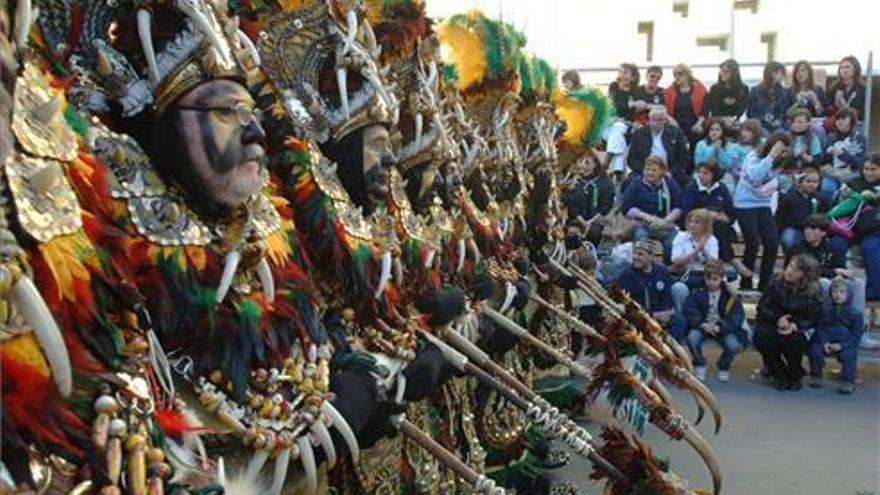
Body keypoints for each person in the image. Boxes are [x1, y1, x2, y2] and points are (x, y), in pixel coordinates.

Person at [754, 254, 822, 391]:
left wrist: (795, 325)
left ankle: (795, 374)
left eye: (796, 270)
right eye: (790, 266)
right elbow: (762, 307)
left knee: (794, 341)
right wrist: (777, 319)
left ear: (805, 275)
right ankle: (779, 374)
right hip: (774, 321)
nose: (790, 271)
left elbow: (813, 318)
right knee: (761, 337)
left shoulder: (813, 290)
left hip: (798, 326)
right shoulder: (776, 281)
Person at [734, 132, 790, 290]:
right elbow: (755, 175)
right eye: (781, 150)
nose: (783, 154)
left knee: (772, 242)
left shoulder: (780, 161)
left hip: (763, 204)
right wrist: (771, 156)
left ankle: (765, 283)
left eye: (785, 151)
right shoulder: (753, 157)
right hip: (745, 204)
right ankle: (745, 281)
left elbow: (774, 181)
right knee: (752, 243)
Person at [828, 154, 880, 304]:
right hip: (848, 228)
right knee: (836, 244)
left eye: (874, 169)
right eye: (866, 169)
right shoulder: (853, 183)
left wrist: (875, 198)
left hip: (873, 230)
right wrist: (850, 196)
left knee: (871, 247)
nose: (869, 172)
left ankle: (874, 290)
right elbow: (837, 203)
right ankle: (838, 286)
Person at [683, 259, 746, 382]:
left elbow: (737, 316)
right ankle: (699, 363)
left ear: (722, 278)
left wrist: (721, 326)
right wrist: (702, 324)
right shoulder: (697, 291)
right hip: (702, 326)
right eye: (708, 279)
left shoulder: (730, 294)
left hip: (722, 327)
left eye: (715, 279)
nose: (711, 282)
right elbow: (690, 311)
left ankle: (723, 365)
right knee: (692, 339)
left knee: (733, 344)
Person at [681, 160, 748, 277]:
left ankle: (720, 266)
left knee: (720, 228)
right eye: (700, 172)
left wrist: (717, 216)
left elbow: (731, 214)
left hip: (719, 225)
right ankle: (732, 260)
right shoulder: (692, 188)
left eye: (706, 173)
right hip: (695, 226)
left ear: (714, 175)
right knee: (716, 229)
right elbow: (685, 212)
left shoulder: (722, 188)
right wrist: (705, 215)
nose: (701, 176)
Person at [616, 239, 684, 340]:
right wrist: (652, 315)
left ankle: (672, 351)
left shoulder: (662, 272)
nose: (635, 257)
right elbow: (627, 306)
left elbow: (667, 298)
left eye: (640, 254)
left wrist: (664, 313)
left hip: (661, 314)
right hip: (639, 318)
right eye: (634, 253)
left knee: (679, 320)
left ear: (651, 256)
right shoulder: (627, 275)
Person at [809, 277, 864, 394]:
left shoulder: (855, 313)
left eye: (841, 292)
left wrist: (842, 345)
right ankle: (816, 375)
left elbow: (856, 334)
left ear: (848, 294)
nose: (837, 295)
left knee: (849, 354)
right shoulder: (825, 308)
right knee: (815, 349)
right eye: (834, 292)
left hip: (845, 340)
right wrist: (824, 342)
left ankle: (848, 381)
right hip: (826, 337)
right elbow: (820, 327)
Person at [621, 155, 682, 258]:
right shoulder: (636, 184)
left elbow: (679, 206)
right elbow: (626, 208)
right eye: (647, 169)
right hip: (642, 223)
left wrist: (666, 221)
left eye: (654, 170)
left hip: (665, 223)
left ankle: (669, 268)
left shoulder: (669, 183)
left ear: (661, 171)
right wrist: (646, 217)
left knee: (672, 244)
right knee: (641, 240)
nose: (649, 173)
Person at [562, 149, 615, 246]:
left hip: (597, 221)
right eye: (581, 162)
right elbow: (571, 205)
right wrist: (582, 221)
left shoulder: (605, 184)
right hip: (576, 220)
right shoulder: (574, 182)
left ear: (595, 165)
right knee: (572, 232)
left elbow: (606, 207)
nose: (582, 166)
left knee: (594, 232)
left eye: (587, 163)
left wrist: (590, 222)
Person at [627, 106, 690, 186]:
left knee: (687, 184)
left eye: (660, 120)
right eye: (653, 119)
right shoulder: (639, 134)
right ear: (649, 119)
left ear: (665, 121)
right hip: (645, 169)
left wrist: (671, 172)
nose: (656, 123)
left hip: (670, 170)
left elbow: (684, 157)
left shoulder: (675, 133)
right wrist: (646, 171)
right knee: (629, 183)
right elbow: (632, 158)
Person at [776, 165, 827, 254]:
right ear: (800, 181)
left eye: (815, 182)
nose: (812, 184)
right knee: (789, 238)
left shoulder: (820, 198)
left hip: (813, 229)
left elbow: (824, 217)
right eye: (808, 181)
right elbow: (780, 216)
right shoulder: (789, 197)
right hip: (794, 228)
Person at [818, 107, 866, 202]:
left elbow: (860, 162)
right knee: (827, 189)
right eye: (838, 119)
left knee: (848, 194)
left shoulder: (859, 137)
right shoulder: (831, 136)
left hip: (851, 173)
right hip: (832, 172)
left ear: (852, 121)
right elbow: (822, 160)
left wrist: (842, 154)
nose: (839, 122)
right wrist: (827, 153)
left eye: (843, 119)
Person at [788, 215, 848, 279]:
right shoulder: (797, 249)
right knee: (824, 282)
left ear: (823, 232)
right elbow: (807, 272)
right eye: (806, 228)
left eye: (813, 229)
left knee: (856, 282)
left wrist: (838, 275)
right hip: (805, 283)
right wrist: (834, 271)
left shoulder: (831, 249)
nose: (808, 232)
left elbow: (843, 270)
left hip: (830, 283)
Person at [664, 63, 708, 150]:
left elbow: (705, 109)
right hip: (676, 125)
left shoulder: (700, 88)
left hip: (695, 125)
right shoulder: (669, 91)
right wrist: (673, 123)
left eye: (680, 74)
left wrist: (699, 124)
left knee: (698, 137)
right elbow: (665, 111)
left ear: (688, 75)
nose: (677, 76)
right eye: (675, 74)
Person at [747, 61, 792, 133]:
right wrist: (764, 118)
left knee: (781, 133)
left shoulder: (785, 92)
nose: (781, 76)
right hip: (760, 126)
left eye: (782, 73)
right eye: (778, 72)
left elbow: (784, 112)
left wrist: (778, 121)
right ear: (770, 73)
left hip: (778, 126)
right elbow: (750, 113)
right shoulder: (755, 91)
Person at [706, 59, 749, 125]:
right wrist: (723, 119)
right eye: (721, 71)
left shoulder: (743, 89)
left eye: (726, 72)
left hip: (735, 121)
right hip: (718, 122)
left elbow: (741, 109)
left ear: (734, 73)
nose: (723, 74)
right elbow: (713, 109)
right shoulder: (714, 89)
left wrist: (734, 119)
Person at [827, 55, 866, 122]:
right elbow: (827, 110)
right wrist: (835, 106)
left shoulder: (863, 88)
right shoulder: (834, 87)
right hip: (837, 124)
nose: (844, 70)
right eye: (842, 68)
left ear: (855, 69)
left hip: (857, 125)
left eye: (847, 67)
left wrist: (846, 108)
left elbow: (863, 113)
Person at [786, 108, 822, 174]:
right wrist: (793, 155)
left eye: (800, 122)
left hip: (807, 171)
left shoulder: (813, 138)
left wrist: (804, 155)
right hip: (789, 170)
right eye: (793, 122)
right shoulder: (786, 137)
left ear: (808, 123)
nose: (796, 125)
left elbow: (817, 161)